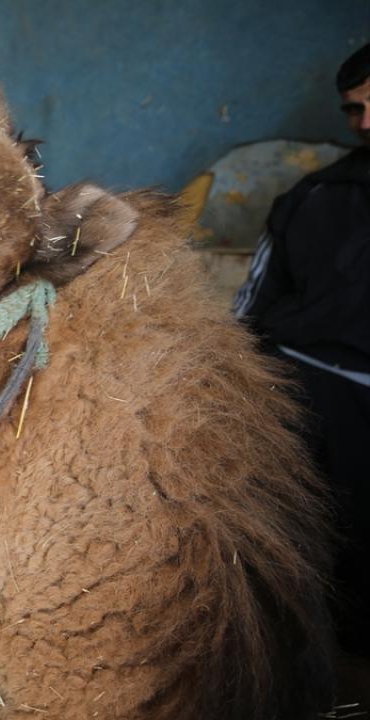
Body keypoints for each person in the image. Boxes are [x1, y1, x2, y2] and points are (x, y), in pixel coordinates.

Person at [234, 43, 370, 659]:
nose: (364, 122)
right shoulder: (311, 197)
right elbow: (248, 315)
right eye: (353, 109)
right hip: (305, 387)